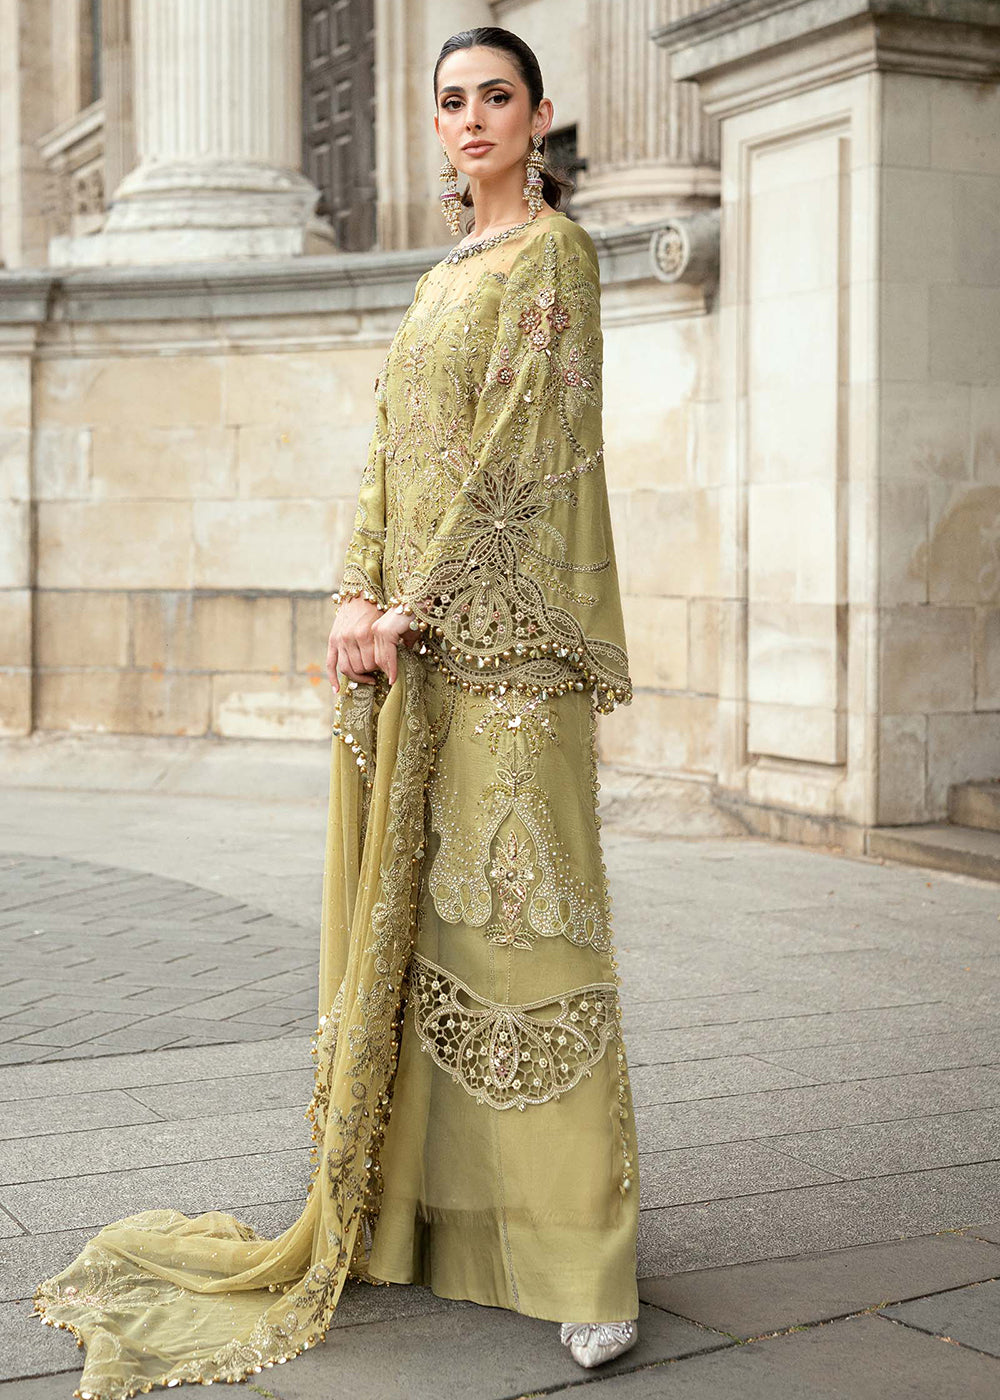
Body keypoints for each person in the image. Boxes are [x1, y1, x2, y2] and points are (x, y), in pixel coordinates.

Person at [31, 26, 640, 1397]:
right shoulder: (439, 278)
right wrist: (354, 595)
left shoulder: (557, 258)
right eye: (452, 101)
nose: (473, 119)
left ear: (540, 115)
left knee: (528, 936)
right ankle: (431, 1223)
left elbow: (528, 454)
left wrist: (412, 603)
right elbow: (386, 454)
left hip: (505, 662)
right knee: (415, 939)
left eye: (496, 98)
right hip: (408, 652)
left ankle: (585, 1267)